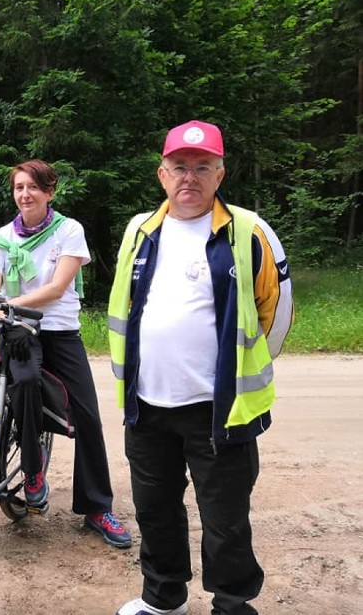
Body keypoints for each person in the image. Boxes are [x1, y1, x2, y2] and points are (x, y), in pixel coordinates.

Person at [108, 121, 294, 615]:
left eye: (202, 167)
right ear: (162, 175)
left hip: (219, 409)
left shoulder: (249, 231)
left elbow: (276, 313)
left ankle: (232, 606)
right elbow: (125, 306)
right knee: (154, 510)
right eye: (180, 168)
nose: (189, 177)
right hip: (147, 403)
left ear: (220, 174)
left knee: (225, 519)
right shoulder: (138, 230)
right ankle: (163, 599)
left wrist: (240, 371)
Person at [0, 158, 132, 548]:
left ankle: (97, 508)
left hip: (61, 332)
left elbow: (57, 289)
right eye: (18, 188)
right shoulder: (0, 236)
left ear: (50, 192)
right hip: (19, 332)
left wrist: (9, 306)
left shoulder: (69, 230)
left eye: (33, 187)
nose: (25, 194)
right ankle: (33, 473)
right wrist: (4, 317)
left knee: (88, 417)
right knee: (24, 385)